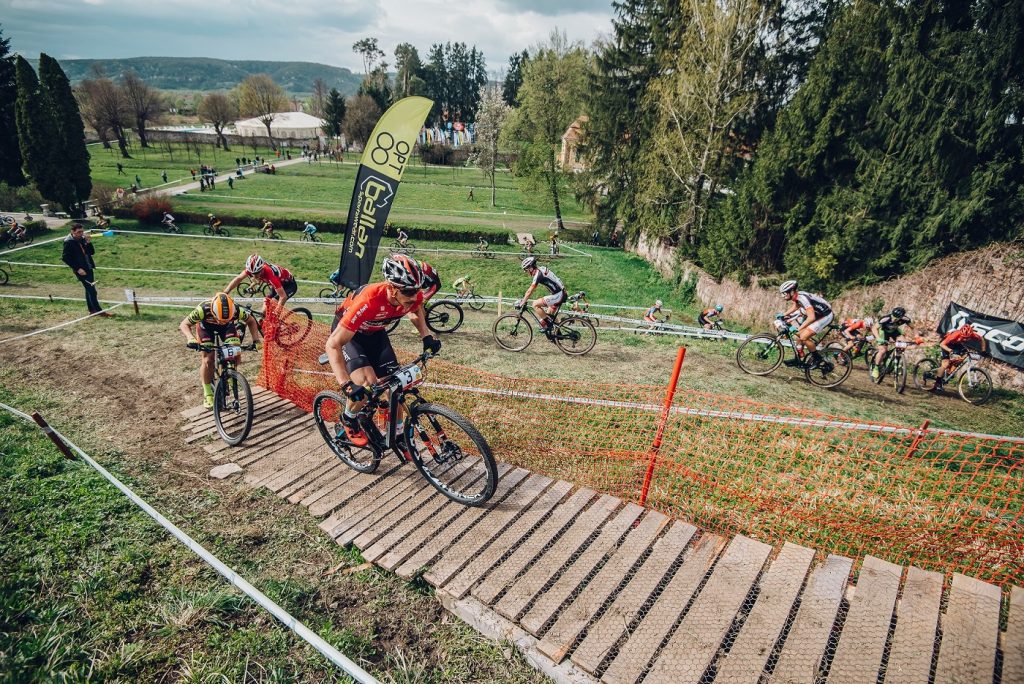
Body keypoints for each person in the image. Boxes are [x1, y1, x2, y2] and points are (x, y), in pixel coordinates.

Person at [324, 255, 441, 448]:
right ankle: (349, 418)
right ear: (392, 288)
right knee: (366, 383)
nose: (414, 296)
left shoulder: (412, 294)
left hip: (376, 332)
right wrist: (346, 384)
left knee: (394, 387)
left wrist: (426, 336)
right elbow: (332, 344)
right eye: (408, 292)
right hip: (350, 336)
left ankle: (399, 437)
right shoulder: (368, 301)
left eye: (417, 290)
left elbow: (415, 310)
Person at [179, 292, 262, 408]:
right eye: (220, 320)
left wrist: (256, 340)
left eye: (225, 319)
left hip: (227, 327)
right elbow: (184, 324)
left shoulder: (236, 310)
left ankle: (230, 374)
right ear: (213, 312)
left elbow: (251, 321)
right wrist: (190, 338)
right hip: (206, 327)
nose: (222, 321)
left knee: (235, 350)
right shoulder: (203, 309)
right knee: (208, 360)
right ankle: (208, 393)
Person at [779, 280, 834, 369]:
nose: (783, 296)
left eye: (784, 293)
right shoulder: (797, 296)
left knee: (803, 336)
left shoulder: (803, 299)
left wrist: (799, 328)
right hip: (818, 314)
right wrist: (783, 314)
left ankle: (817, 359)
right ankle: (798, 358)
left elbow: (811, 317)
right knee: (799, 335)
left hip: (825, 315)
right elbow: (796, 306)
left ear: (792, 292)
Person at [61, 223, 110, 317]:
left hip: (88, 267)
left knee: (89, 290)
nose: (81, 234)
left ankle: (92, 310)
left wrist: (88, 242)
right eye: (79, 232)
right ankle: (99, 311)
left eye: (82, 231)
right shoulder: (68, 242)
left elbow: (91, 252)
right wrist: (78, 269)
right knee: (92, 291)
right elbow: (65, 258)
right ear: (72, 232)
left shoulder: (82, 239)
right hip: (81, 270)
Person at [516, 256, 566, 337]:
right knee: (549, 317)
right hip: (560, 293)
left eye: (526, 270)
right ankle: (558, 335)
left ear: (530, 268)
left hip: (558, 295)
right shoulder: (541, 269)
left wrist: (522, 302)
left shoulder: (538, 274)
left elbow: (530, 291)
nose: (526, 272)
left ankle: (549, 325)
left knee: (535, 304)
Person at [932, 323, 987, 392]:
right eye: (964, 337)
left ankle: (949, 374)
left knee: (964, 356)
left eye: (967, 338)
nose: (965, 339)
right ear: (961, 333)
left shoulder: (972, 334)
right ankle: (937, 383)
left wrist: (983, 350)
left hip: (957, 344)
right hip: (946, 344)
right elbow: (942, 344)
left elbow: (982, 339)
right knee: (945, 364)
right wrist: (950, 351)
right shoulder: (955, 334)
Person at [225, 254, 297, 306]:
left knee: (273, 304)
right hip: (278, 284)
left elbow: (283, 297)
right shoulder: (252, 270)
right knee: (264, 309)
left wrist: (277, 313)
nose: (254, 275)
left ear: (262, 269)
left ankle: (277, 321)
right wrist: (225, 292)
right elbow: (238, 279)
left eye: (256, 273)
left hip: (289, 285)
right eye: (252, 273)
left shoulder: (270, 275)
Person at [871, 306, 914, 379]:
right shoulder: (886, 319)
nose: (894, 319)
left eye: (897, 318)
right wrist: (878, 338)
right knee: (883, 350)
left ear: (901, 317)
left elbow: (913, 327)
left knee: (903, 343)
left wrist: (917, 336)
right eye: (893, 317)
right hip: (884, 332)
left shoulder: (905, 319)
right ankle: (876, 368)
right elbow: (874, 328)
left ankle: (897, 360)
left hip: (894, 331)